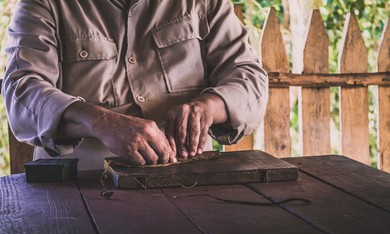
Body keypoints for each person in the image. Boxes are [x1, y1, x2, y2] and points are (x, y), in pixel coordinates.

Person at [2, 0, 268, 170]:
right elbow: (23, 89)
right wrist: (101, 122)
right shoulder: (43, 3)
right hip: (78, 182)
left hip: (187, 180)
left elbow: (249, 77)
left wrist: (209, 107)